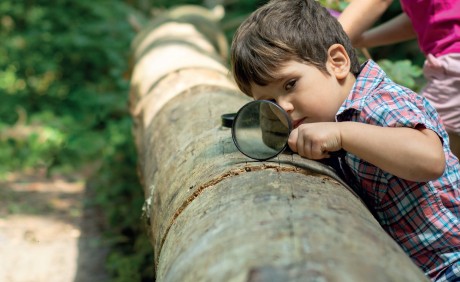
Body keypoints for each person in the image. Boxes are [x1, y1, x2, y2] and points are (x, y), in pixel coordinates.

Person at [230, 0, 460, 280]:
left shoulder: (377, 102)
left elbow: (430, 159)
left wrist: (342, 134)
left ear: (337, 63)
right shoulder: (328, 119)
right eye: (269, 102)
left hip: (450, 263)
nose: (284, 108)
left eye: (290, 85)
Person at [337, 0, 460, 159]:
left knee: (420, 147)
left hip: (454, 67)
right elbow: (421, 20)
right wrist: (362, 39)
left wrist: (315, 50)